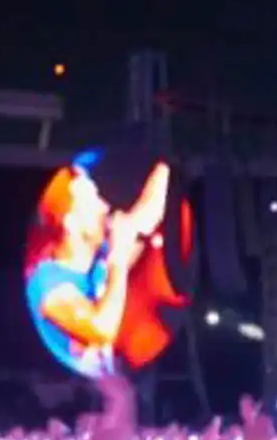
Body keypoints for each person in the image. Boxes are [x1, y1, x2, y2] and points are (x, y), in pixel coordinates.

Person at [27, 156, 172, 375]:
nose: (104, 206)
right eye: (93, 200)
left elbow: (143, 221)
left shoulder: (96, 256)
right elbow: (101, 328)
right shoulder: (48, 283)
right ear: (71, 223)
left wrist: (164, 165)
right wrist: (119, 259)